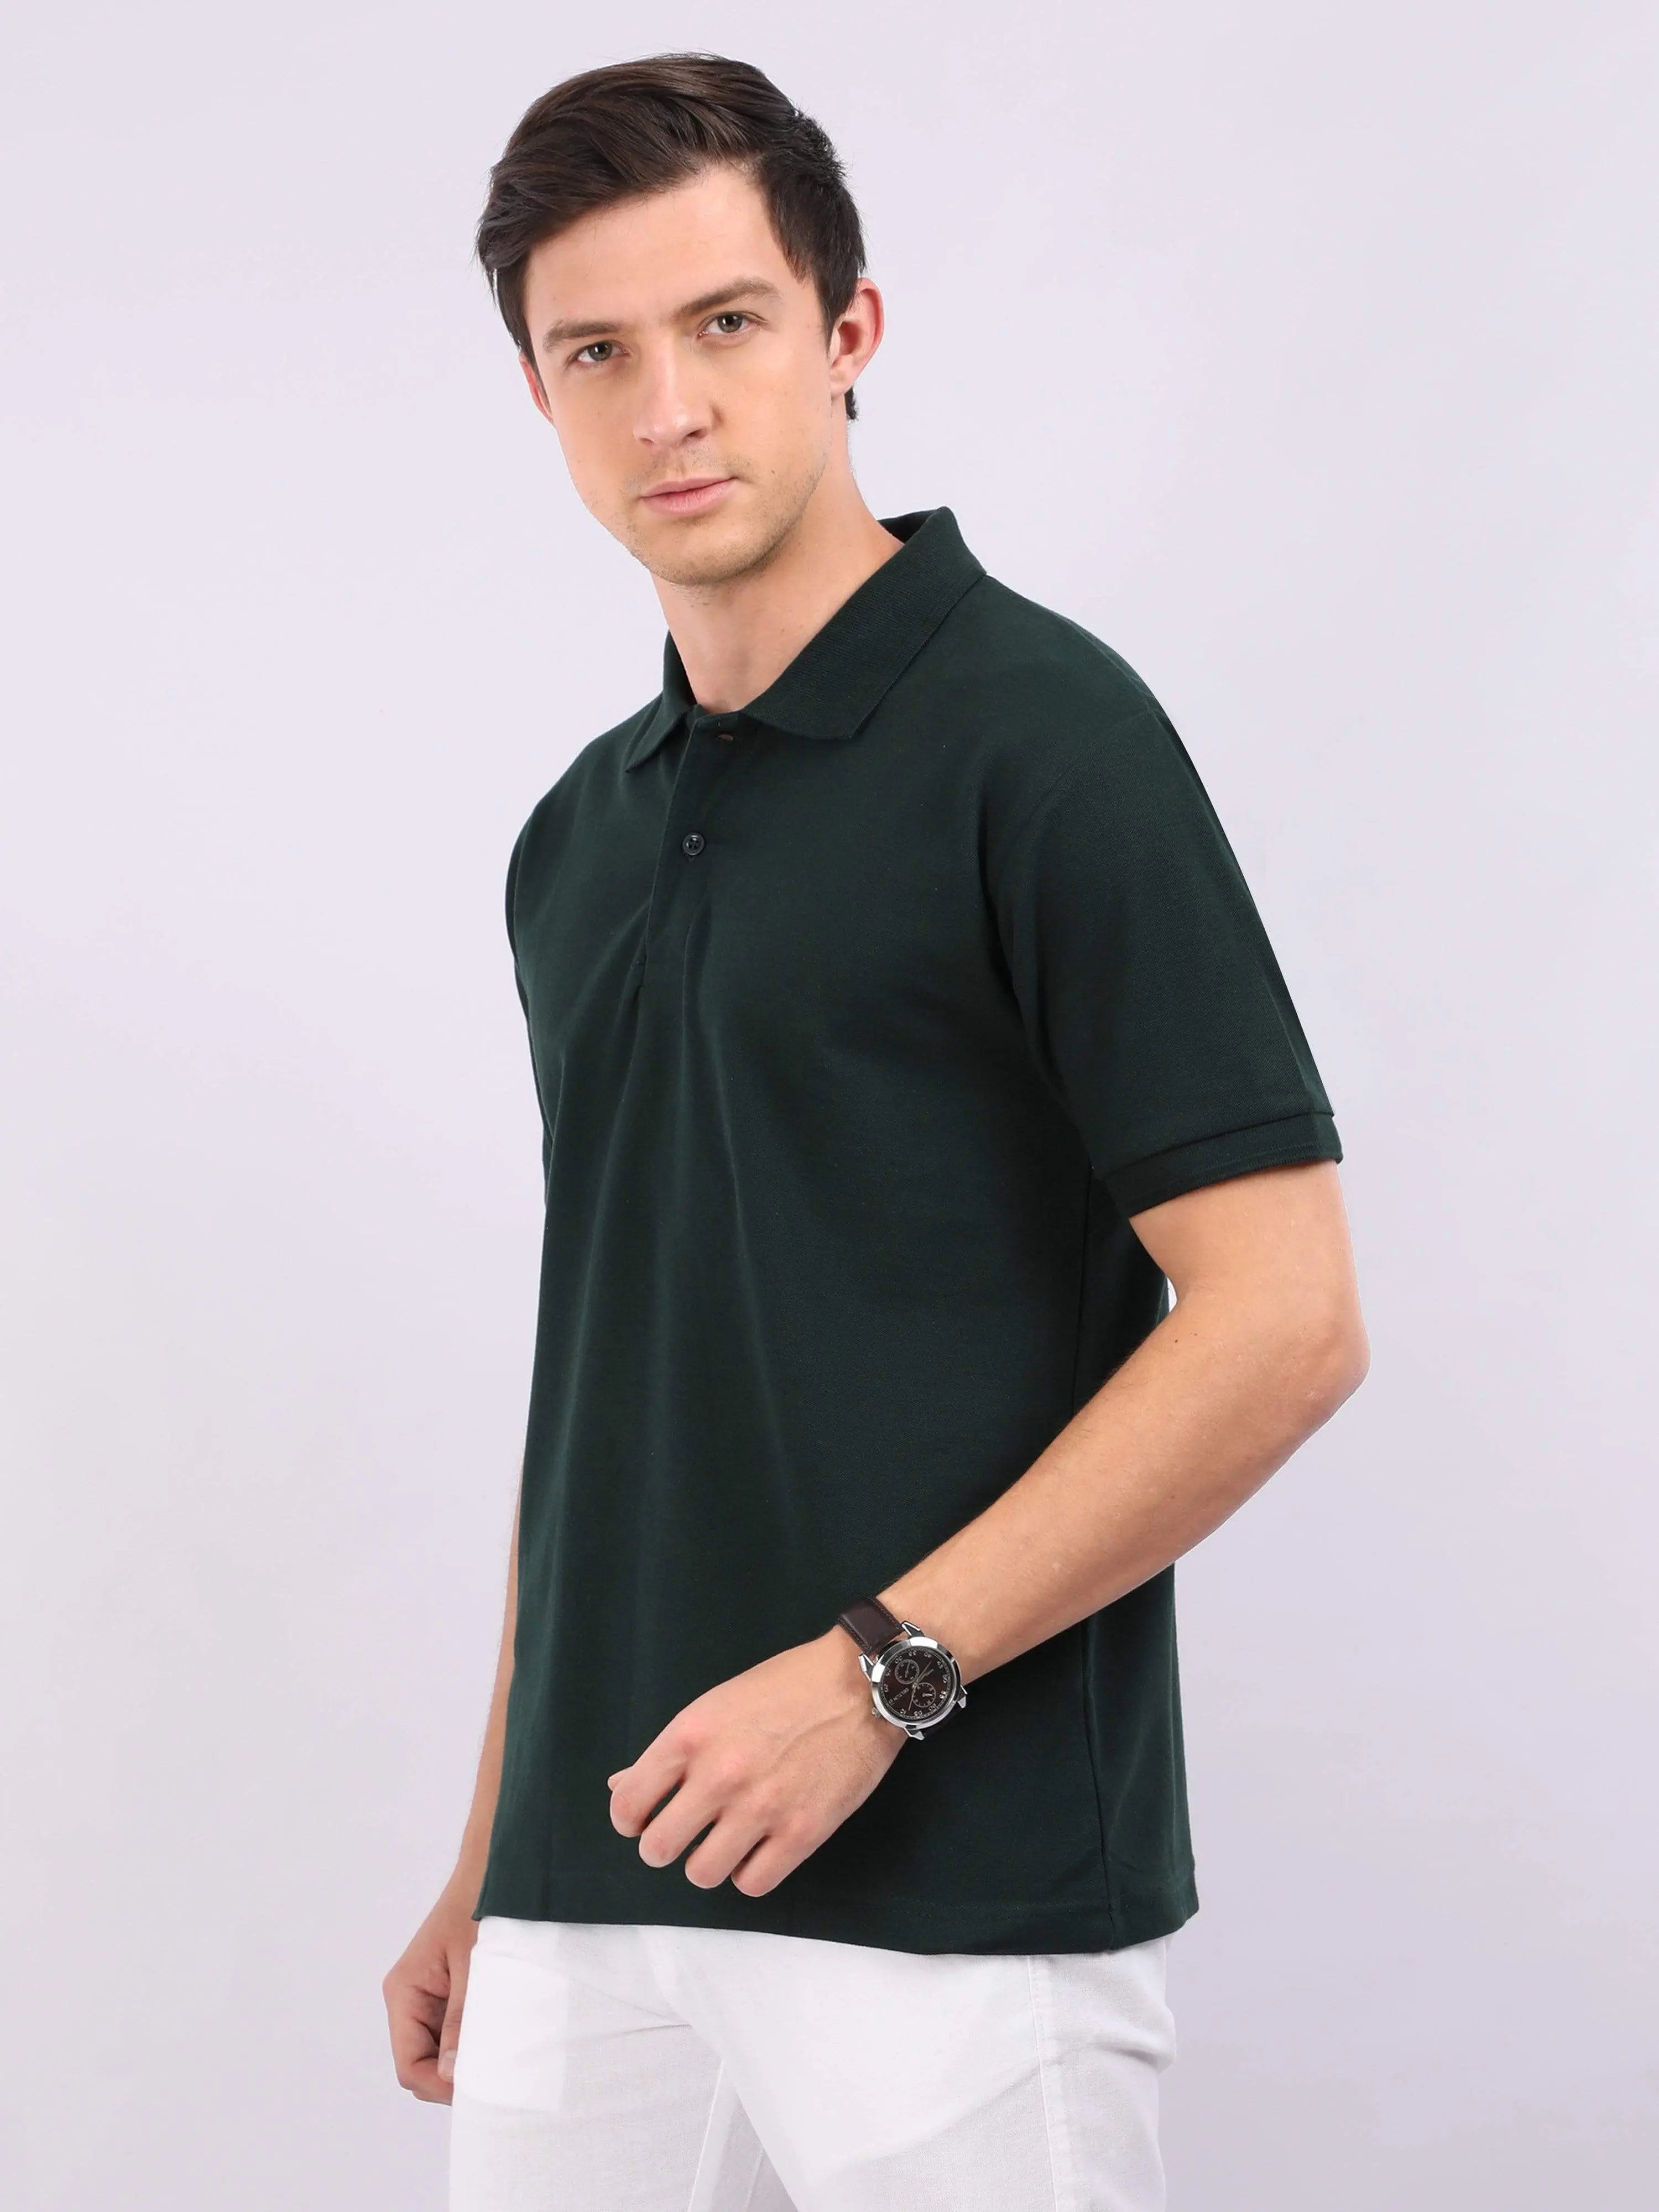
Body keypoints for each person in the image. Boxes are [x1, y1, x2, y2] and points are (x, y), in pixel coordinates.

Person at [382, 51, 1369, 2212]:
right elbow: (611, 1372)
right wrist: (490, 1848)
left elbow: (1285, 1318)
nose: (670, 407)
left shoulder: (1047, 739)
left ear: (850, 332)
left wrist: (876, 1681)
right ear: (538, 396)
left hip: (958, 1885)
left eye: (727, 323)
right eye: (596, 353)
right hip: (593, 1876)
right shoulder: (576, 841)